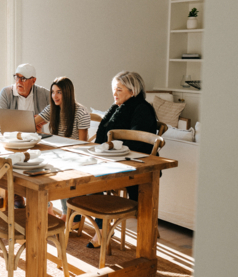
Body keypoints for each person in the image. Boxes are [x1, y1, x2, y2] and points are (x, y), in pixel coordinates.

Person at [86, 70, 157, 248]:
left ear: (132, 91)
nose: (114, 94)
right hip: (112, 161)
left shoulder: (143, 109)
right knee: (83, 175)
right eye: (114, 89)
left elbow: (137, 144)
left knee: (90, 179)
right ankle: (102, 226)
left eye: (119, 89)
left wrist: (112, 146)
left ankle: (102, 228)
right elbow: (104, 135)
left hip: (133, 167)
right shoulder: (117, 108)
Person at [0, 63, 50, 208]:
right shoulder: (7, 92)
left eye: (23, 78)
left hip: (36, 140)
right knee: (10, 159)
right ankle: (16, 193)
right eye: (16, 77)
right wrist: (27, 124)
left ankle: (41, 198)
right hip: (13, 141)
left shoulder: (43, 94)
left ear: (33, 80)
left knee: (44, 161)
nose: (18, 82)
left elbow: (57, 109)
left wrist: (42, 120)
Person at [35, 76, 90, 220]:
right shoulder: (52, 108)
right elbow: (31, 123)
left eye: (59, 92)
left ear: (67, 92)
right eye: (53, 92)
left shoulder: (80, 112)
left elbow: (83, 144)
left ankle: (68, 214)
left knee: (59, 173)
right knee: (36, 170)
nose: (54, 96)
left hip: (75, 156)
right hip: (56, 154)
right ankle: (47, 207)